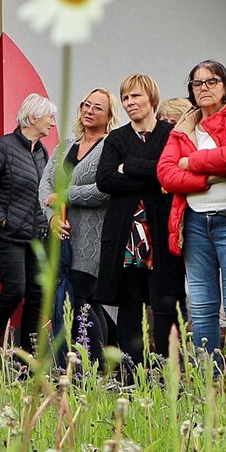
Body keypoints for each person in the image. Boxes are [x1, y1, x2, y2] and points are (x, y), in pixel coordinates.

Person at [158, 61, 226, 364]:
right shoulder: (184, 125)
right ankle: (209, 383)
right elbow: (165, 174)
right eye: (196, 83)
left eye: (211, 81)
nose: (203, 88)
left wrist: (189, 163)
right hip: (192, 223)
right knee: (201, 309)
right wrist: (207, 177)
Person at [94, 76, 185, 371]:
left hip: (161, 234)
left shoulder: (170, 134)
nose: (130, 102)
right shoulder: (116, 139)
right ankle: (133, 373)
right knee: (130, 305)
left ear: (152, 99)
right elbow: (105, 179)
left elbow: (170, 172)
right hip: (126, 238)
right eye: (125, 98)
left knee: (164, 304)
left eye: (135, 96)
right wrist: (153, 176)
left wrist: (130, 167)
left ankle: (166, 372)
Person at [44, 86, 118, 357]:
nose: (89, 110)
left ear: (109, 115)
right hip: (61, 239)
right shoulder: (64, 147)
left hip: (92, 238)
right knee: (83, 303)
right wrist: (52, 218)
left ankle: (94, 365)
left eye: (97, 107)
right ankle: (93, 366)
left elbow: (105, 188)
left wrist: (66, 195)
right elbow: (45, 188)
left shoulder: (110, 146)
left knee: (80, 299)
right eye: (86, 104)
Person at [0, 94, 57, 358]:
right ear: (33, 118)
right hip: (6, 234)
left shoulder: (42, 152)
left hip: (34, 236)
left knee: (37, 294)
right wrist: (2, 220)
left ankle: (29, 357)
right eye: (50, 117)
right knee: (15, 289)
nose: (53, 123)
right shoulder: (2, 147)